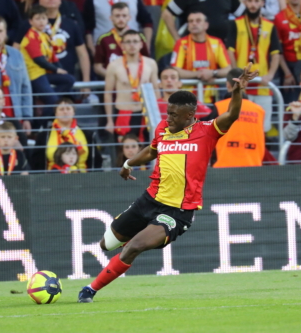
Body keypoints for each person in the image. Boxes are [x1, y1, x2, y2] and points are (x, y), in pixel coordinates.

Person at [77, 64, 258, 303]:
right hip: (149, 200)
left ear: (190, 116)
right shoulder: (163, 129)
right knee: (106, 244)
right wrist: (129, 162)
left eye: (173, 114)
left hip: (178, 211)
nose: (168, 118)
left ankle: (89, 290)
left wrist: (238, 91)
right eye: (168, 112)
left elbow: (232, 114)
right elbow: (152, 151)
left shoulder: (207, 131)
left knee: (134, 247)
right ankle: (124, 246)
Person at [227, 0, 281, 133]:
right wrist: (236, 74)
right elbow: (230, 50)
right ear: (244, 3)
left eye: (256, 1)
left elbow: (276, 53)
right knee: (240, 127)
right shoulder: (236, 23)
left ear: (262, 3)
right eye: (249, 1)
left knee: (262, 128)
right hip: (242, 87)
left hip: (262, 86)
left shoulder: (270, 26)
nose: (253, 5)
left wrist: (270, 75)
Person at [14, 0, 91, 90]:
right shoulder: (27, 25)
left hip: (65, 79)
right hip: (36, 79)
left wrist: (86, 82)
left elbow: (82, 54)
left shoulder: (71, 24)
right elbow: (15, 52)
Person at [20, 5, 76, 118]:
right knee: (55, 102)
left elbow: (53, 57)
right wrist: (56, 70)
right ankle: (42, 118)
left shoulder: (44, 36)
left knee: (69, 79)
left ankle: (45, 105)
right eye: (38, 18)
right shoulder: (30, 37)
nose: (41, 21)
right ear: (30, 21)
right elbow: (38, 59)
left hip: (43, 74)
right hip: (34, 75)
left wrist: (61, 70)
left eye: (43, 18)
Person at [104, 30, 159, 140]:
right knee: (124, 151)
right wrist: (109, 120)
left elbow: (156, 90)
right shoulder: (114, 66)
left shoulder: (151, 64)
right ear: (122, 45)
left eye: (135, 41)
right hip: (123, 112)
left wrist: (158, 115)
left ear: (141, 44)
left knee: (146, 151)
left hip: (145, 113)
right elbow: (108, 94)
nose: (132, 45)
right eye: (128, 42)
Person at [170, 11, 231, 104]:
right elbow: (175, 71)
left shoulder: (217, 43)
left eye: (198, 21)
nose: (194, 23)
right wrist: (199, 74)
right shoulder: (181, 44)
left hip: (211, 98)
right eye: (191, 21)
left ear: (206, 25)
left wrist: (213, 73)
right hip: (187, 100)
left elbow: (228, 69)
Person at [213, 68, 266, 168]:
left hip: (223, 169)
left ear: (228, 84)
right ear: (245, 84)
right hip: (254, 168)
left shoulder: (219, 107)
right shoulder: (259, 110)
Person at [32, 97, 102, 171]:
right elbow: (36, 162)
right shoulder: (44, 135)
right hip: (52, 179)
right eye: (61, 109)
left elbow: (96, 161)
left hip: (82, 178)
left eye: (68, 109)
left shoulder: (88, 134)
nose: (65, 112)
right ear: (55, 113)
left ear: (73, 112)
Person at [94, 2, 149, 79]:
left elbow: (147, 63)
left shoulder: (139, 38)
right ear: (111, 18)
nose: (121, 19)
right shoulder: (103, 39)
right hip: (113, 87)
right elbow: (98, 67)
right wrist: (116, 77)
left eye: (124, 16)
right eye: (117, 16)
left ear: (129, 17)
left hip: (136, 84)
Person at [84, 0, 153, 54]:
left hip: (132, 48)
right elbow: (87, 27)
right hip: (104, 50)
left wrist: (147, 45)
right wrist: (92, 48)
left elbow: (147, 22)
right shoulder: (93, 1)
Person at [161, 0, 245, 43]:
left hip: (222, 47)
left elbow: (244, 15)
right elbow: (167, 14)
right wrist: (177, 40)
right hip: (195, 46)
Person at [274, 0, 301, 103]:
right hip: (291, 68)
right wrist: (287, 73)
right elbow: (278, 49)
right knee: (292, 106)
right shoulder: (279, 18)